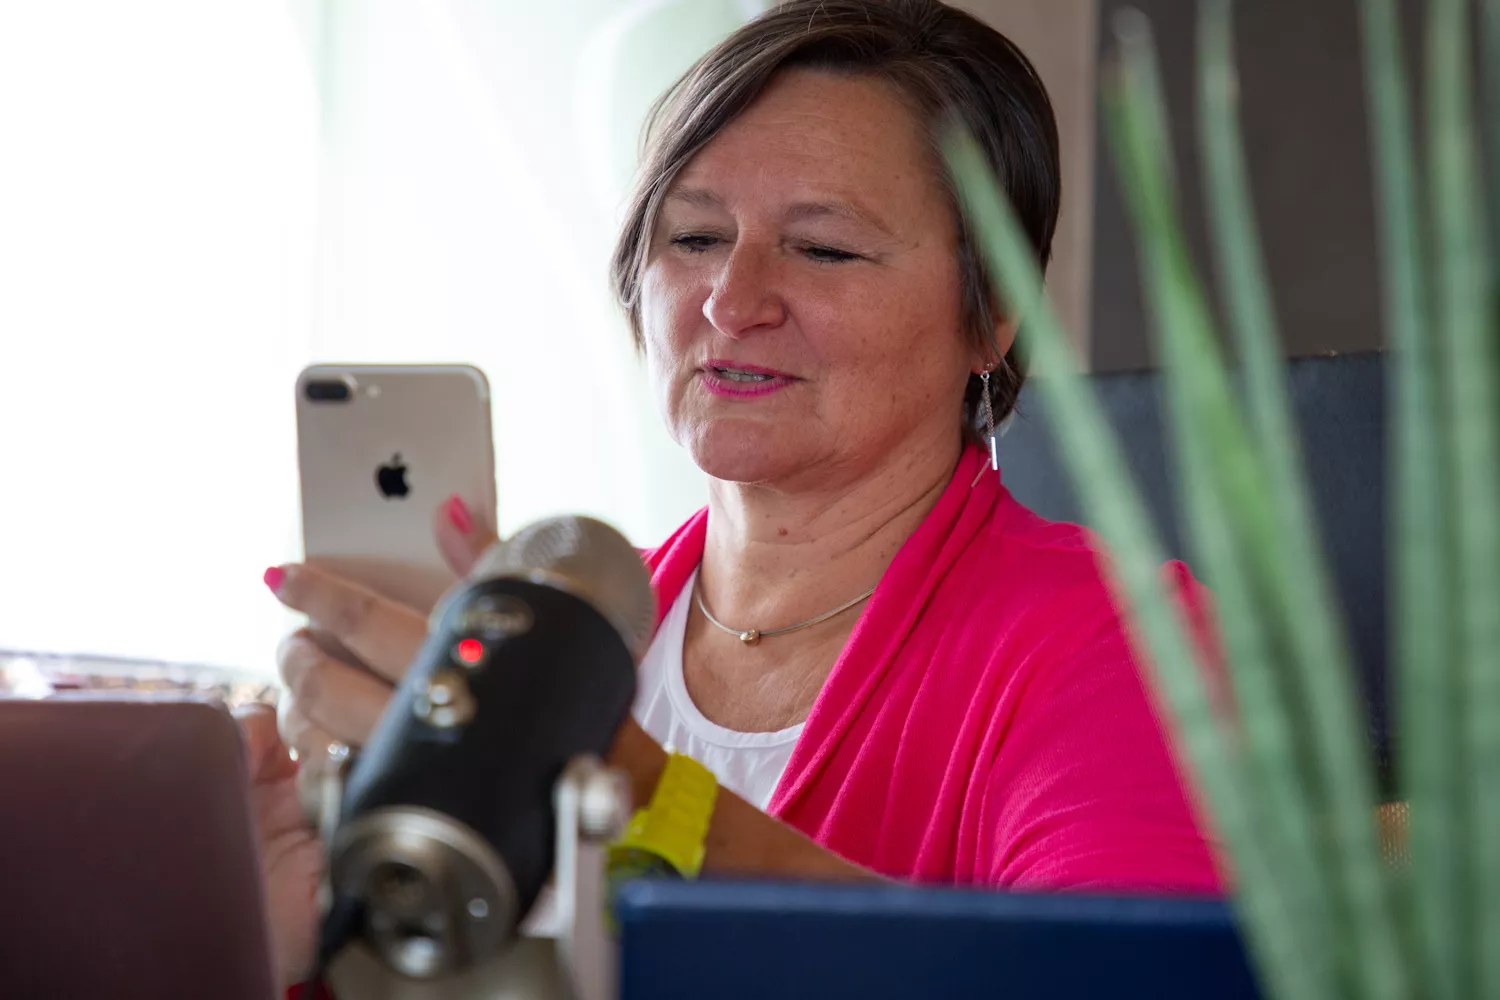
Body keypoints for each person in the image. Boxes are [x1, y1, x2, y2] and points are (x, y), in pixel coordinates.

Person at [244, 0, 1221, 987]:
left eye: (824, 248)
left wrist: (651, 798)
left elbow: (1113, 981)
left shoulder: (1121, 641)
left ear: (992, 318)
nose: (731, 300)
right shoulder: (569, 628)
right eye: (696, 237)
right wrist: (290, 943)